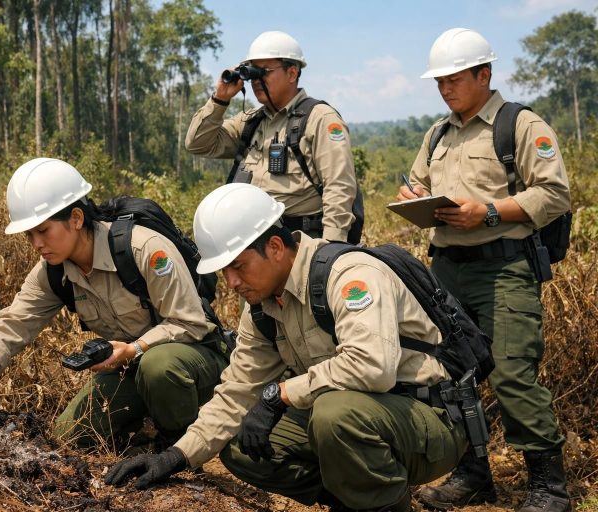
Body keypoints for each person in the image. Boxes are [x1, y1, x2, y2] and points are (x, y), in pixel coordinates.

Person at [105, 183, 468, 512]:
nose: (232, 282)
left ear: (276, 247)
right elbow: (237, 392)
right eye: (224, 272)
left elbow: (371, 367)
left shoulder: (349, 275)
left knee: (334, 414)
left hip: (427, 421)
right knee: (239, 443)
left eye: (238, 266)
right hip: (358, 420)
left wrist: (280, 394)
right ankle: (355, 499)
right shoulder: (262, 305)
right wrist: (176, 455)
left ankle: (384, 505)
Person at [0, 157, 228, 450]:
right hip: (129, 367)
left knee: (158, 366)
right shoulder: (53, 272)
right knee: (70, 434)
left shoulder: (144, 248)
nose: (36, 243)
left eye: (43, 230)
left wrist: (135, 349)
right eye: (29, 235)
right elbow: (14, 322)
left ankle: (178, 441)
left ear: (76, 218)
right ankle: (141, 432)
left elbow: (189, 322)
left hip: (193, 357)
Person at [396, 28, 571, 512]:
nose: (445, 89)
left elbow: (554, 193)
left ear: (484, 74)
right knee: (451, 376)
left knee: (512, 374)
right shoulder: (438, 133)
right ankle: (472, 474)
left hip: (504, 269)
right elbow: (417, 182)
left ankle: (550, 488)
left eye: (454, 79)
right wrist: (413, 196)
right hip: (446, 271)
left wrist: (489, 212)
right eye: (439, 82)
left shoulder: (519, 125)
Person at [185, 31, 358, 241]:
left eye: (264, 71)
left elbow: (339, 186)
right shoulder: (250, 122)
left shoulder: (319, 119)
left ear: (292, 73)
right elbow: (197, 144)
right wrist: (220, 99)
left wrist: (331, 245)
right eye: (252, 72)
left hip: (299, 243)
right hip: (252, 242)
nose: (256, 80)